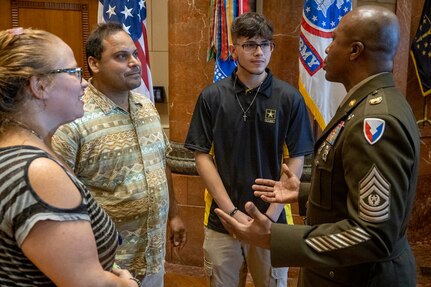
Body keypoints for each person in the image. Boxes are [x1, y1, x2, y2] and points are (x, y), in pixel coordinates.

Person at [215, 5, 420, 287]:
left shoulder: (374, 120)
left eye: (334, 39)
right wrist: (305, 193)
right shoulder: (367, 104)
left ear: (355, 51)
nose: (326, 48)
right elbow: (354, 191)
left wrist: (275, 237)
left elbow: (373, 234)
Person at [0, 27, 141, 286]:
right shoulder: (38, 172)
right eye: (74, 72)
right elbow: (85, 282)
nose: (83, 82)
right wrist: (124, 283)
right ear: (39, 85)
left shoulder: (20, 146)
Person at [51, 22, 186, 286]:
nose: (134, 62)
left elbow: (161, 164)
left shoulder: (146, 107)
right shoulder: (74, 119)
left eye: (134, 54)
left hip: (152, 258)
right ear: (94, 63)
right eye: (121, 56)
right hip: (104, 267)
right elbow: (58, 198)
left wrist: (175, 214)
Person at [185, 12, 314, 287]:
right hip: (222, 220)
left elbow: (296, 160)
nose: (259, 52)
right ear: (234, 50)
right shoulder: (212, 96)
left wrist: (267, 217)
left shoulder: (289, 98)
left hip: (273, 222)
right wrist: (232, 213)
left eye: (265, 44)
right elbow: (201, 157)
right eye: (249, 44)